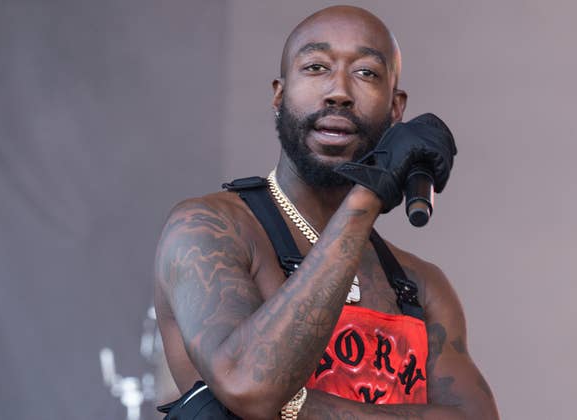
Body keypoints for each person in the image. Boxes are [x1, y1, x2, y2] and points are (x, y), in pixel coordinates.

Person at [154, 5, 499, 420]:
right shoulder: (210, 229)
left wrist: (295, 409)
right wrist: (368, 195)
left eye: (366, 73)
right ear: (279, 95)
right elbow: (250, 385)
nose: (338, 91)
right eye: (316, 67)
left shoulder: (421, 285)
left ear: (396, 107)